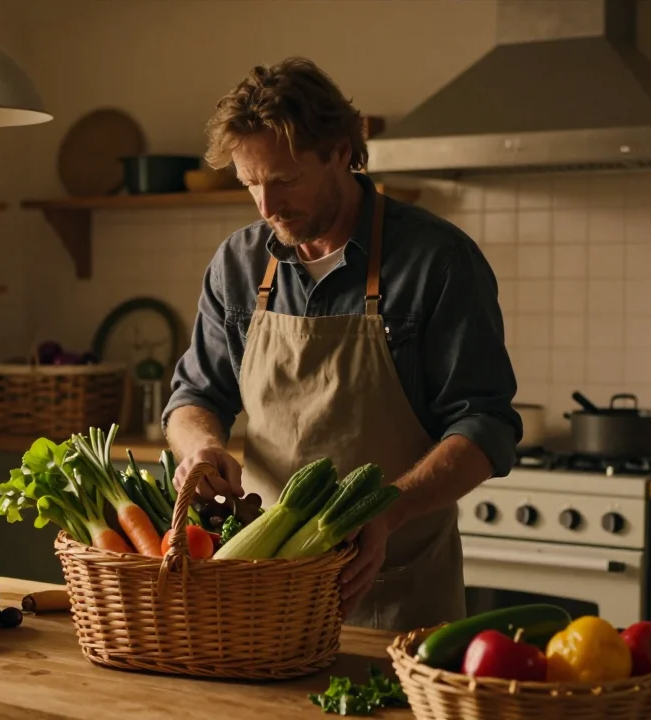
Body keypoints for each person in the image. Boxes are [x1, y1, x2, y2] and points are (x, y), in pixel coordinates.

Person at [161, 57, 522, 633]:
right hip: (263, 588)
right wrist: (201, 449)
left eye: (283, 180)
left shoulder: (437, 261)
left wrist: (384, 510)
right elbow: (194, 395)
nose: (266, 206)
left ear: (338, 148)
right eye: (250, 184)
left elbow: (484, 425)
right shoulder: (238, 263)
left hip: (396, 596)